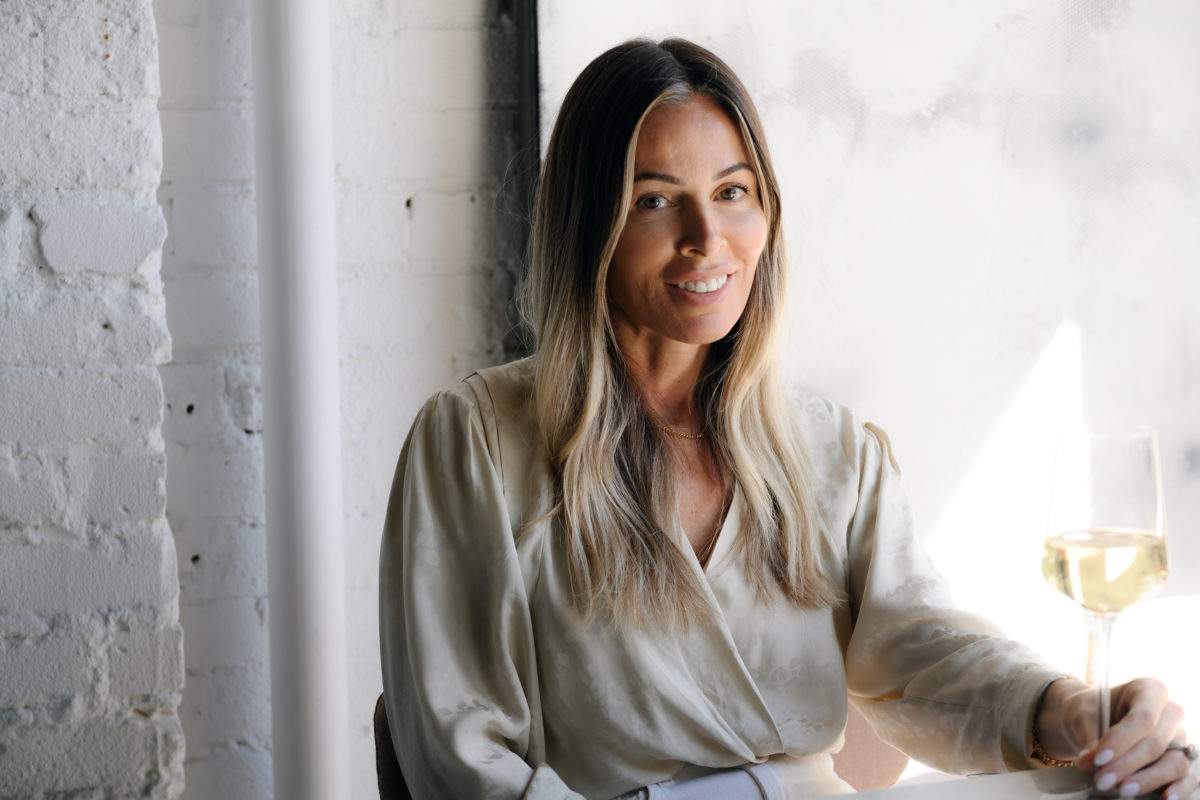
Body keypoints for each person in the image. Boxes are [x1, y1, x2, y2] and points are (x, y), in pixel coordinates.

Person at [377, 36, 1195, 800]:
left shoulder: (830, 448)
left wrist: (1072, 708)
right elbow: (465, 756)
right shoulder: (476, 443)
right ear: (588, 225)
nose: (708, 239)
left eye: (733, 192)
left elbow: (922, 653)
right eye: (657, 200)